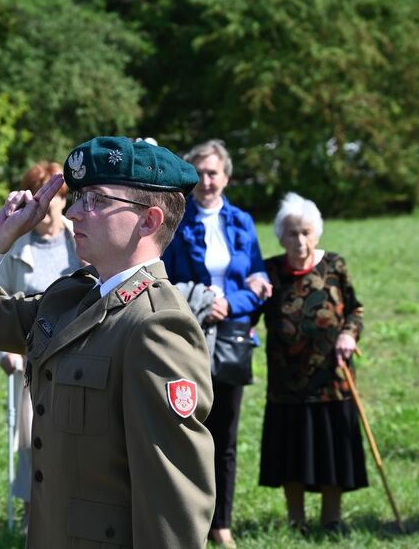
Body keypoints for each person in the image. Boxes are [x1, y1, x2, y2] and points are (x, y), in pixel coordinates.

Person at [0, 136, 216, 547]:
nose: (75, 212)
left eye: (96, 200)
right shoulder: (67, 299)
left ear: (149, 221)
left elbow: (171, 496)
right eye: (78, 198)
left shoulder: (157, 326)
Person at [162, 139, 270, 548]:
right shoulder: (178, 220)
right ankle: (188, 520)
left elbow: (258, 282)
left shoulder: (241, 221)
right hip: (189, 337)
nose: (207, 181)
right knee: (188, 432)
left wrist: (230, 301)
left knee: (224, 436)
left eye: (214, 173)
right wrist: (206, 301)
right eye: (201, 173)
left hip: (232, 340)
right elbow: (165, 280)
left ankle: (220, 522)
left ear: (226, 177)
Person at [257, 192, 367, 533]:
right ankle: (296, 521)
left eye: (305, 232)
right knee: (293, 451)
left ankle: (332, 520)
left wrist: (349, 334)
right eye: (291, 233)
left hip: (331, 377)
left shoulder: (335, 266)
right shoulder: (270, 271)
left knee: (332, 449)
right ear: (280, 236)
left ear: (316, 233)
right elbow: (251, 310)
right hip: (286, 382)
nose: (299, 240)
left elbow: (355, 310)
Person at [0, 161, 81, 531]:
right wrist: (6, 353)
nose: (48, 206)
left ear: (63, 198)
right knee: (32, 437)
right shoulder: (16, 248)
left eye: (56, 197)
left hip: (79, 350)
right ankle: (33, 511)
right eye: (40, 198)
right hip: (31, 357)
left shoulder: (81, 240)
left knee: (76, 431)